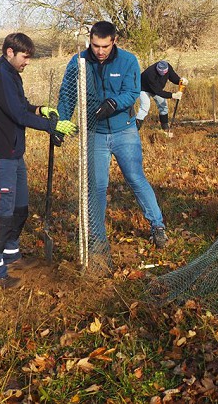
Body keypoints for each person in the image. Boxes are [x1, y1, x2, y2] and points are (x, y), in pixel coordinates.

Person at [57, 21, 168, 259]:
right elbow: (67, 93)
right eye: (95, 45)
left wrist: (113, 103)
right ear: (90, 41)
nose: (99, 51)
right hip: (94, 134)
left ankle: (157, 225)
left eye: (104, 46)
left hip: (124, 131)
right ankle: (97, 237)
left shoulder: (128, 61)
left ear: (114, 41)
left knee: (135, 178)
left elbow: (131, 91)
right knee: (96, 186)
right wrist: (60, 123)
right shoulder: (79, 62)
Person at [0, 33, 76, 289]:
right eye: (25, 57)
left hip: (13, 155)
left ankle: (11, 255)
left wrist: (40, 109)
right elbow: (17, 115)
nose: (27, 62)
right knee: (1, 213)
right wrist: (51, 125)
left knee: (20, 208)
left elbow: (21, 106)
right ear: (10, 52)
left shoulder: (11, 76)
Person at [137, 60, 188, 136]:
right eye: (161, 72)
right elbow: (158, 91)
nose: (163, 74)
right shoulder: (150, 73)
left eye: (165, 72)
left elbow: (173, 77)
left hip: (157, 89)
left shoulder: (168, 67)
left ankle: (165, 128)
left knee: (163, 107)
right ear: (157, 69)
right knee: (144, 108)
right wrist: (172, 95)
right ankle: (135, 130)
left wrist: (180, 81)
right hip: (144, 89)